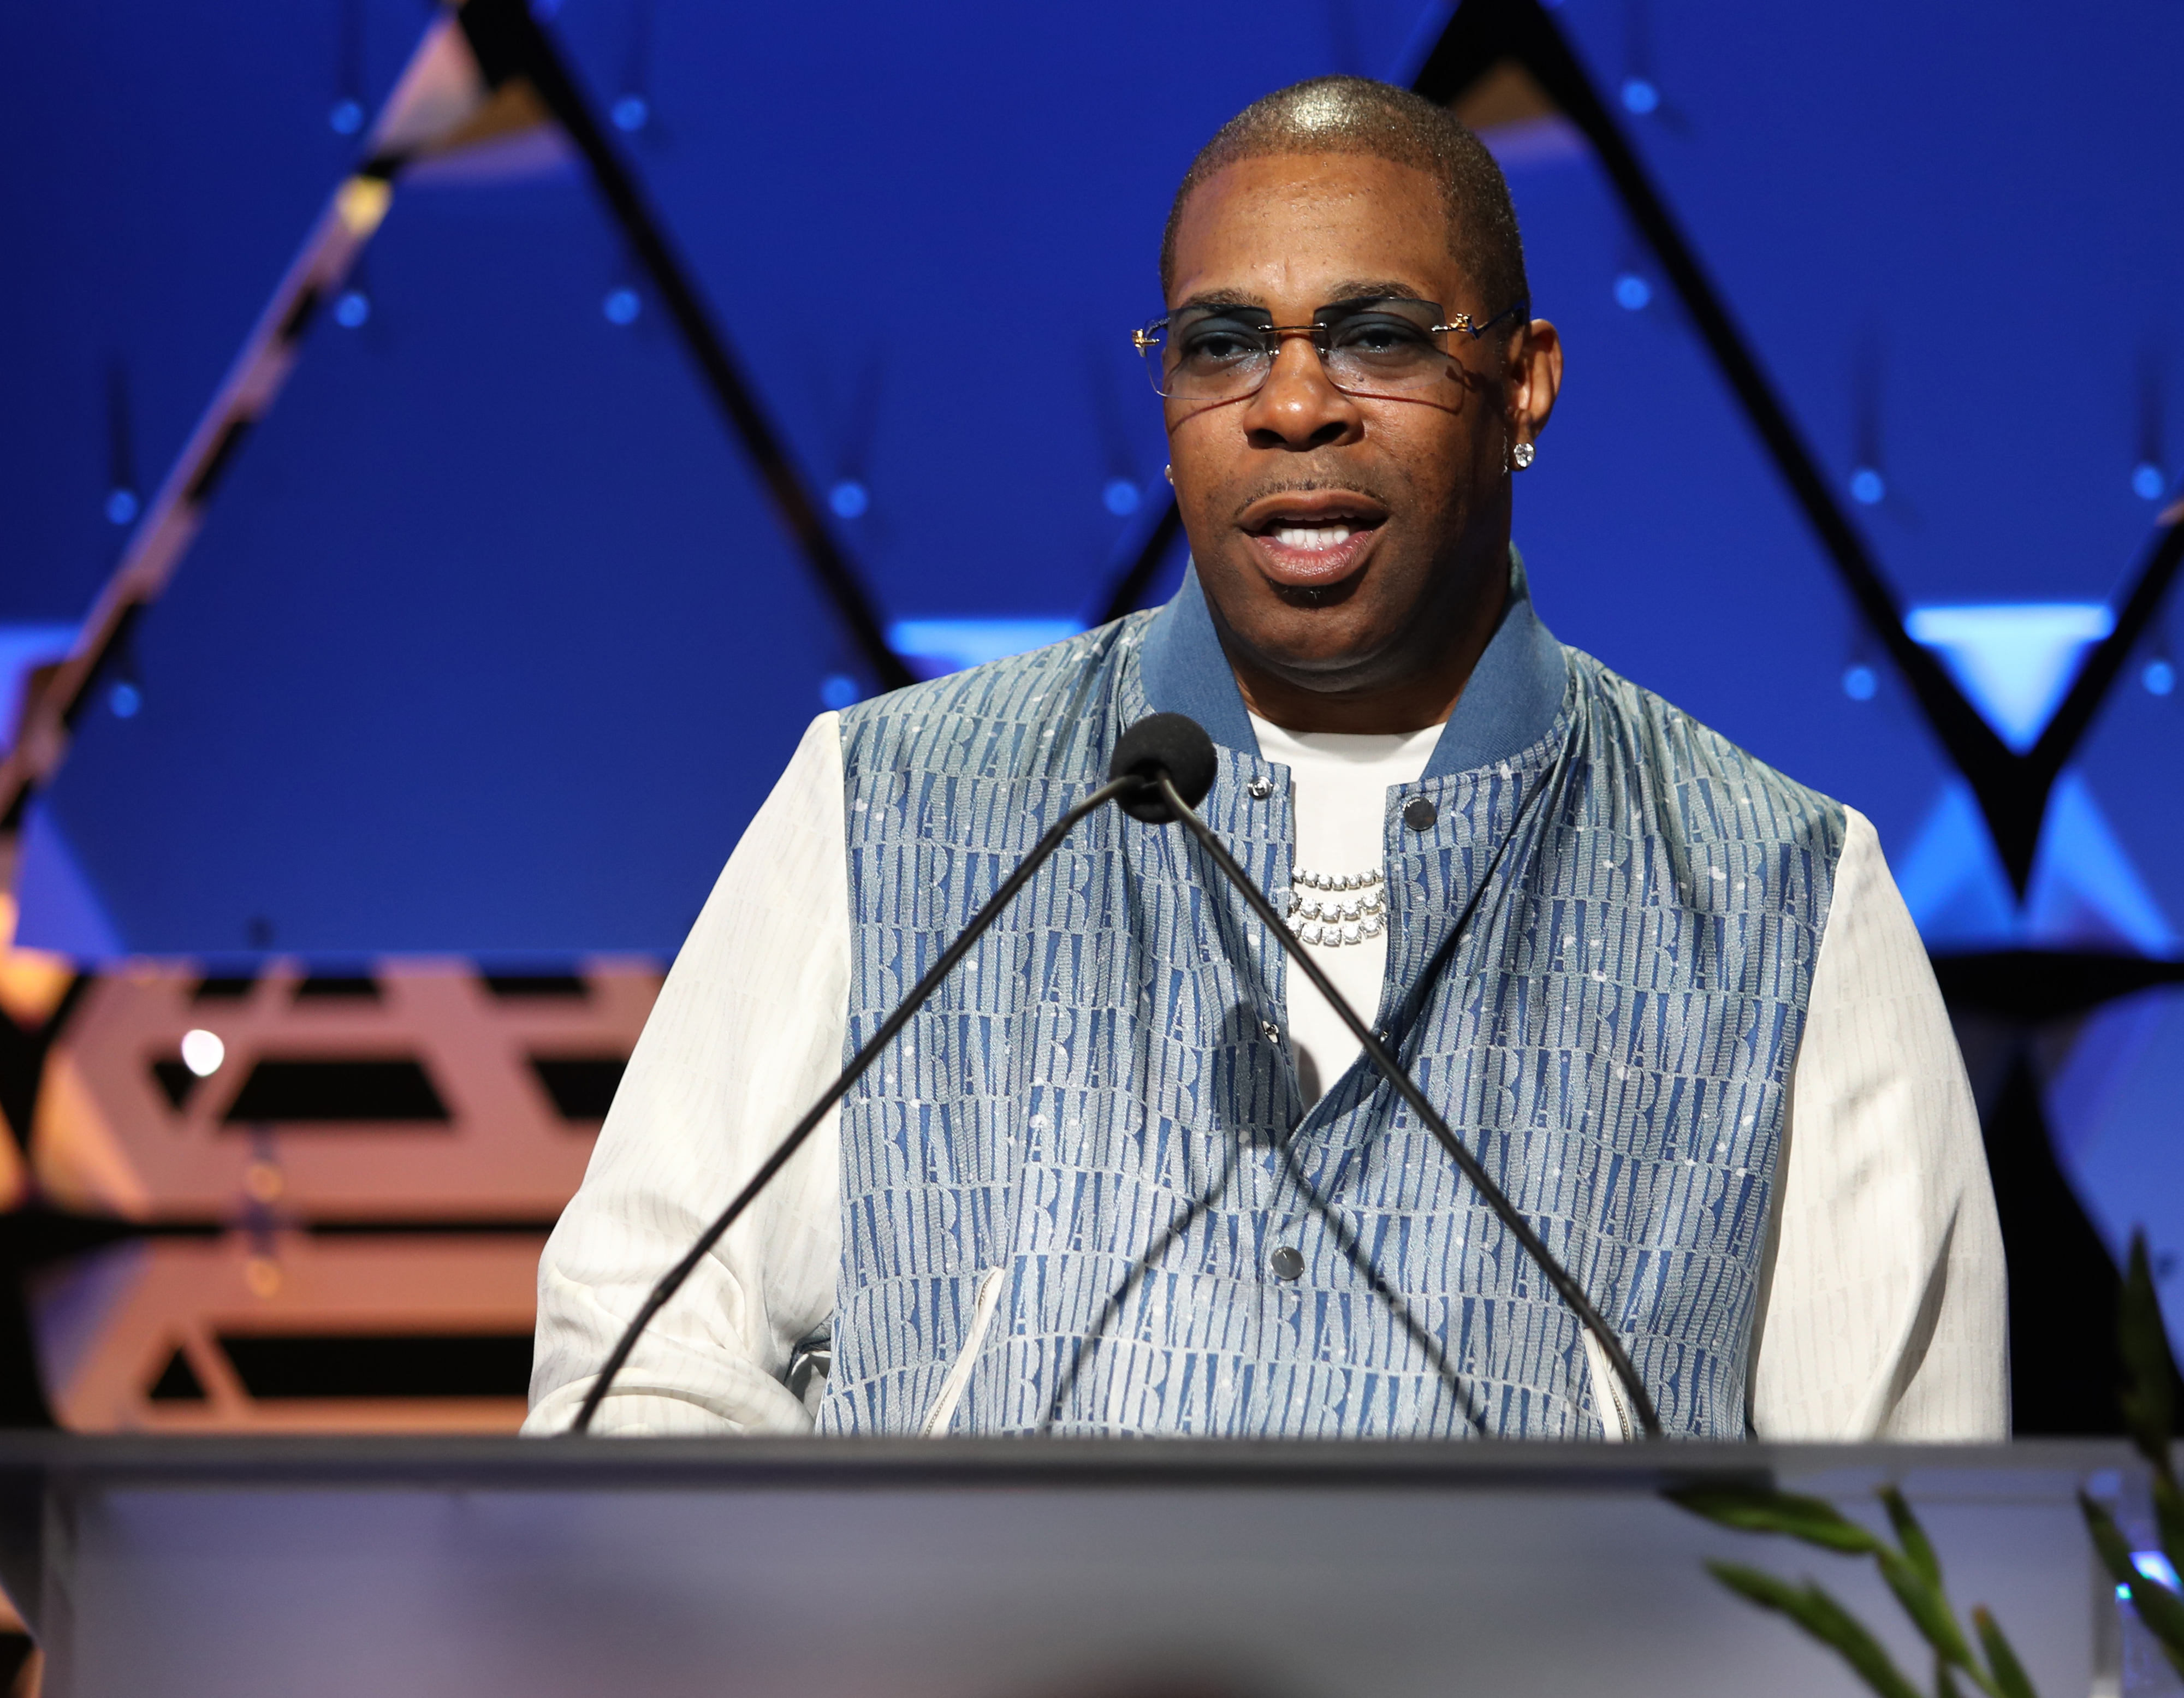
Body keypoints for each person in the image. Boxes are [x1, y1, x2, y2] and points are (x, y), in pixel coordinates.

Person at [526, 76, 2005, 1442]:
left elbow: (1909, 1568)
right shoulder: (891, 805)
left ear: (1527, 385)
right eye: (1224, 344)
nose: (1294, 405)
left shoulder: (1784, 899)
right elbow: (638, 1368)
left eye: (1379, 335)